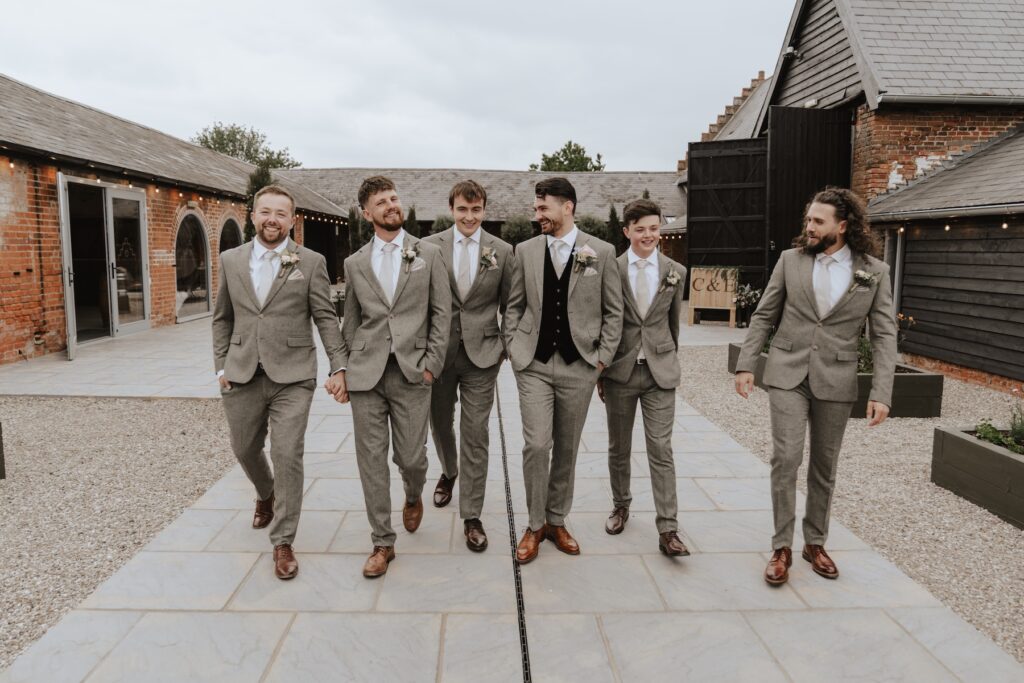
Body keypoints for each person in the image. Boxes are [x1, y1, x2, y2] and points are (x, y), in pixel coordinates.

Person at [734, 187, 897, 586]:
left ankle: (815, 542)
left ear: (842, 226)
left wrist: (881, 391)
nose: (808, 227)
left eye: (817, 221)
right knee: (785, 459)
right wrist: (746, 364)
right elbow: (763, 315)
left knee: (824, 468)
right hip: (787, 372)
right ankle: (781, 547)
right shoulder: (790, 261)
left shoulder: (873, 271)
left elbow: (884, 334)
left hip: (837, 379)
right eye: (808, 220)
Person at [212, 184, 345, 580]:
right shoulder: (230, 259)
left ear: (292, 219)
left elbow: (324, 316)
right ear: (252, 215)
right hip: (241, 371)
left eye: (280, 213)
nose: (272, 219)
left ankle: (283, 539)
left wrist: (339, 366)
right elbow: (222, 317)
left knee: (288, 453)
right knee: (244, 448)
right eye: (264, 211)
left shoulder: (311, 261)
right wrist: (220, 366)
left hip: (293, 374)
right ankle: (265, 493)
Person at [332, 175, 451, 578]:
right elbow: (351, 323)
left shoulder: (428, 253)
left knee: (412, 457)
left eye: (394, 198)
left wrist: (432, 362)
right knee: (370, 461)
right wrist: (341, 369)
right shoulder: (354, 263)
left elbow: (441, 314)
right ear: (367, 214)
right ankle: (382, 542)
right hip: (366, 374)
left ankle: (414, 492)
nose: (391, 205)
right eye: (381, 202)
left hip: (413, 372)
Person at [504, 177, 623, 563]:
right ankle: (534, 524)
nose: (537, 214)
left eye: (543, 208)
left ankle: (557, 520)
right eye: (536, 208)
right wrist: (514, 347)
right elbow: (514, 306)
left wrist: (600, 360)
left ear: (567, 207)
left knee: (567, 449)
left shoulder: (601, 252)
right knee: (537, 445)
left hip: (580, 367)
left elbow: (613, 312)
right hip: (533, 365)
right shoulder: (524, 251)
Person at [422, 180, 514, 551]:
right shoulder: (429, 248)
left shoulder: (503, 251)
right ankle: (448, 471)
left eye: (476, 210)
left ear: (485, 211)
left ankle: (471, 514)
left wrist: (505, 344)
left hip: (482, 356)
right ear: (452, 209)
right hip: (439, 355)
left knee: (475, 433)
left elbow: (513, 303)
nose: (469, 217)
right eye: (463, 209)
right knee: (441, 424)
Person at [598, 199, 689, 556]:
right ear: (627, 232)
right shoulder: (612, 269)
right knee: (618, 447)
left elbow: (673, 324)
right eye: (640, 229)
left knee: (661, 448)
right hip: (620, 371)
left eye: (654, 228)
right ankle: (621, 504)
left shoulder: (674, 271)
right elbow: (606, 320)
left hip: (659, 373)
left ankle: (668, 528)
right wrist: (601, 371)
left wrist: (666, 359)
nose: (649, 235)